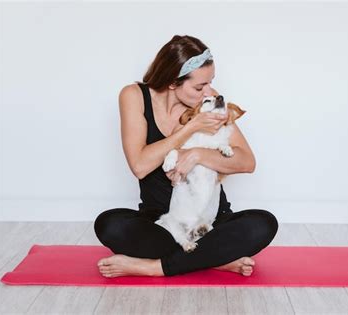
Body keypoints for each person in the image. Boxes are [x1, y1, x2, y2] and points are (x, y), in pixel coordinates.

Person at [94, 35, 278, 277]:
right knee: (109, 224)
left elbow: (247, 161)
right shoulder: (134, 96)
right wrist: (191, 127)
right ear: (172, 83)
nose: (209, 92)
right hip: (162, 223)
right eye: (200, 87)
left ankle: (155, 267)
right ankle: (214, 259)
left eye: (211, 82)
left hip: (209, 223)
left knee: (263, 223)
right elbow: (139, 165)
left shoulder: (208, 104)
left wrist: (197, 154)